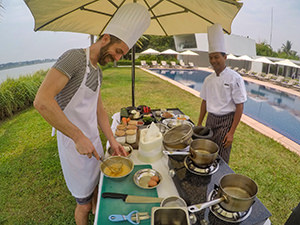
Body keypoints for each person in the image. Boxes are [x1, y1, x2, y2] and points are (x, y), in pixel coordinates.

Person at [33, 3, 150, 225]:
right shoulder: (74, 58)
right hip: (74, 146)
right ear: (105, 38)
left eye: (122, 55)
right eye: (118, 51)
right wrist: (77, 137)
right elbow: (42, 101)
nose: (117, 58)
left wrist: (112, 140)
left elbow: (100, 111)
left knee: (98, 188)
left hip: (93, 142)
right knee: (84, 204)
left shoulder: (97, 72)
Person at [197, 24, 247, 164]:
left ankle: (220, 182)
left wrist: (231, 133)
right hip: (210, 120)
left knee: (222, 158)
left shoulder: (235, 78)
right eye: (211, 57)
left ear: (225, 57)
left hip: (226, 122)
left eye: (216, 57)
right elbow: (204, 102)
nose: (213, 61)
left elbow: (240, 106)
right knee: (207, 153)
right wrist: (200, 122)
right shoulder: (208, 79)